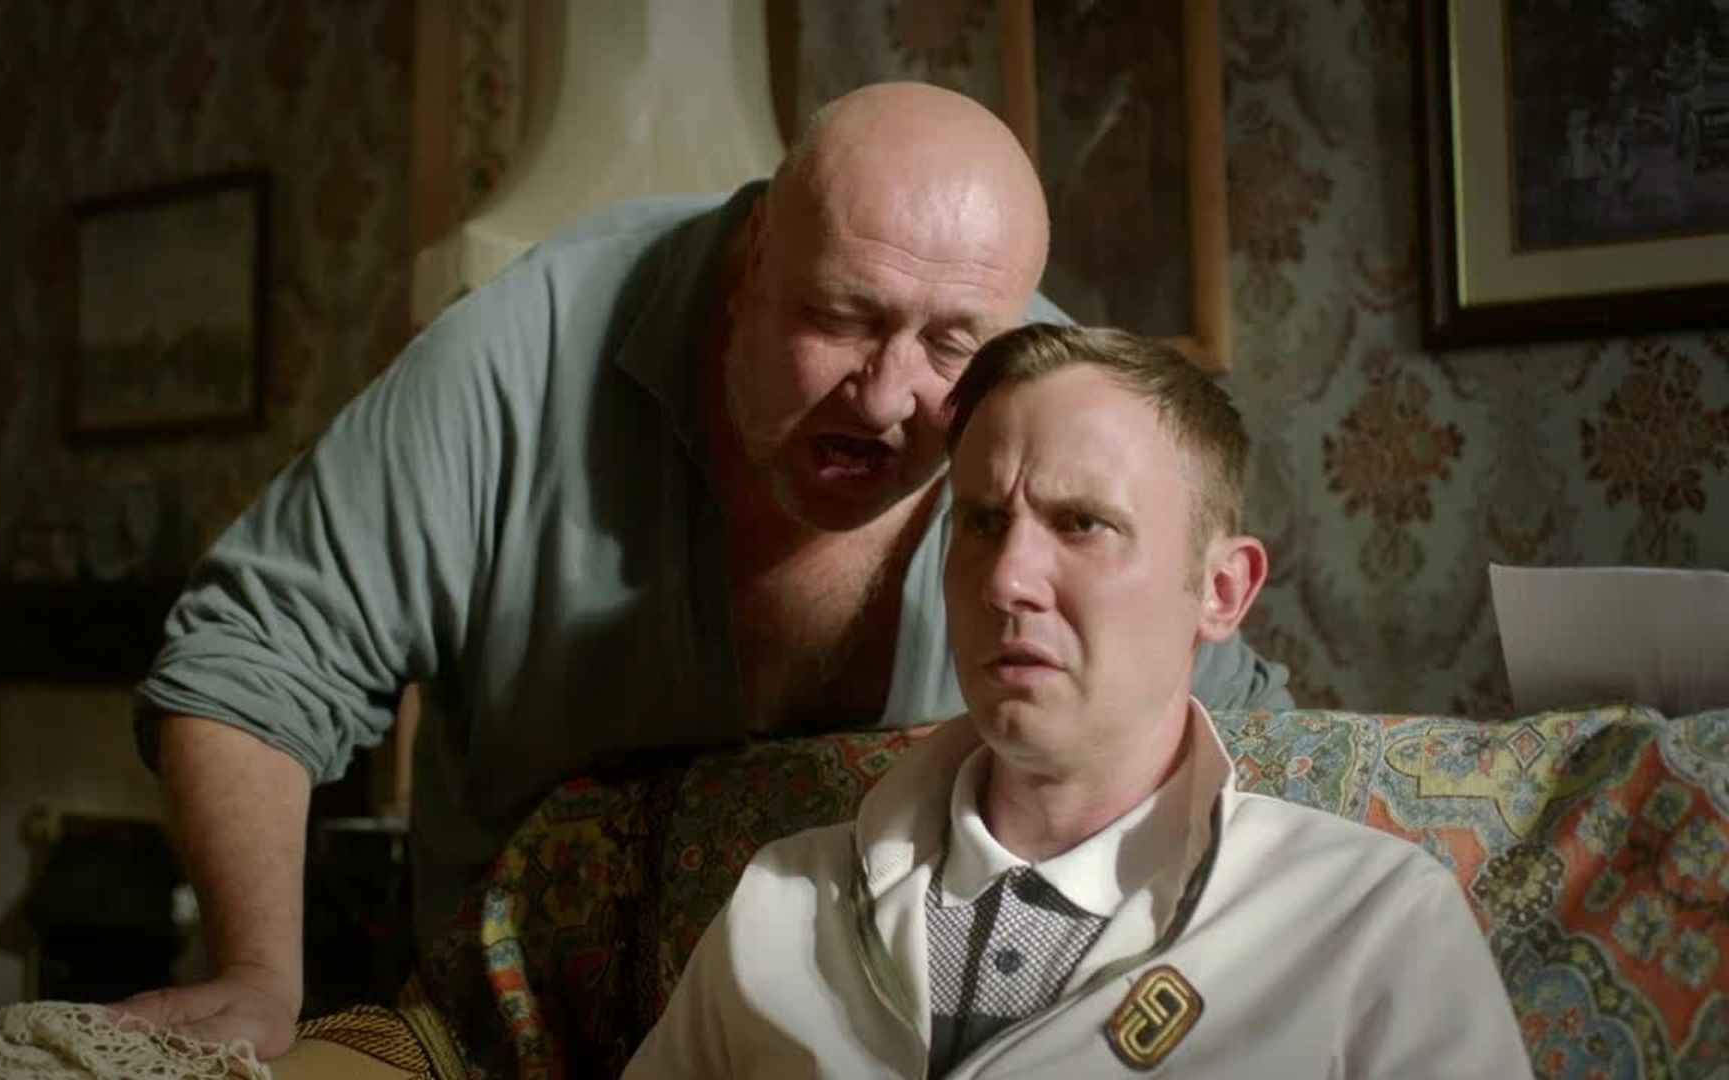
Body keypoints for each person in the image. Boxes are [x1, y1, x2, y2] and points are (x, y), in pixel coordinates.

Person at [119, 83, 1293, 1059]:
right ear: (750, 263)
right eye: (843, 316)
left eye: (950, 346)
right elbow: (253, 656)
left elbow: (1243, 732)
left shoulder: (1034, 397)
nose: (889, 398)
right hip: (512, 1039)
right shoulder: (521, 351)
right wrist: (256, 974)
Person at [626, 324, 1529, 1078]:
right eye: (983, 523)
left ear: (1221, 590)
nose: (1007, 579)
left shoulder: (1369, 924)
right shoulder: (782, 903)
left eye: (1081, 523)